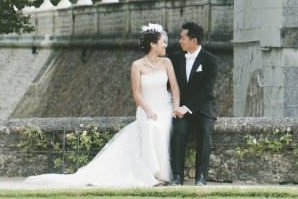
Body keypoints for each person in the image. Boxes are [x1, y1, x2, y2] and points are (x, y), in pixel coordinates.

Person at [26, 23, 182, 188]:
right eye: (163, 42)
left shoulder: (166, 63)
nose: (166, 45)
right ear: (153, 44)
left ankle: (161, 174)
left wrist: (176, 107)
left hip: (165, 108)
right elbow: (136, 94)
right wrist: (149, 111)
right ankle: (152, 176)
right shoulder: (137, 66)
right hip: (146, 108)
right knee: (150, 127)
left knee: (158, 128)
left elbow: (175, 88)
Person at [168, 20, 218, 186]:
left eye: (183, 38)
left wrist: (187, 108)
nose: (179, 41)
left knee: (204, 131)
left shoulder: (210, 60)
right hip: (182, 107)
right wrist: (177, 107)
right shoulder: (175, 58)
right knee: (179, 131)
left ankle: (201, 177)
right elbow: (171, 85)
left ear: (194, 41)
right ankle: (177, 176)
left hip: (203, 107)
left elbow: (206, 90)